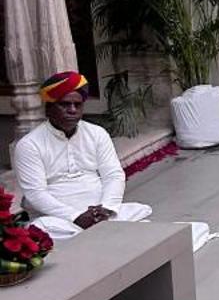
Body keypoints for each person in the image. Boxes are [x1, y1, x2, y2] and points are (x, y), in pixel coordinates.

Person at [11, 70, 155, 238]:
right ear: (48, 109)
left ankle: (104, 227)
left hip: (100, 212)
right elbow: (36, 194)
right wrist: (76, 217)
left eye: (77, 105)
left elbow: (113, 175)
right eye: (64, 104)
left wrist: (107, 208)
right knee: (42, 229)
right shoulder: (29, 145)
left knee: (140, 212)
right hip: (59, 219)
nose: (72, 110)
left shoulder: (97, 133)